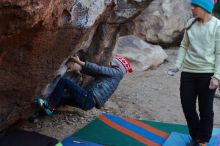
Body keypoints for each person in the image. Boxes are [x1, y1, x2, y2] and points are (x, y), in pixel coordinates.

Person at [168, 0, 219, 146]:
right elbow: (184, 45)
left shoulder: (217, 26)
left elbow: (219, 53)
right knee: (187, 106)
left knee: (205, 109)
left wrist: (217, 77)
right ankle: (197, 136)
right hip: (188, 72)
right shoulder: (190, 23)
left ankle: (203, 141)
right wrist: (177, 65)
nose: (192, 8)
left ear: (204, 8)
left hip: (207, 73)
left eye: (195, 5)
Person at [37, 55, 133, 115]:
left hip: (88, 98)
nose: (110, 64)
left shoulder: (115, 72)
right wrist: (79, 68)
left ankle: (50, 107)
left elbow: (98, 69)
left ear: (117, 65)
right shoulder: (115, 77)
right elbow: (95, 73)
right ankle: (39, 113)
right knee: (60, 98)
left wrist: (79, 62)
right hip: (89, 104)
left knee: (64, 81)